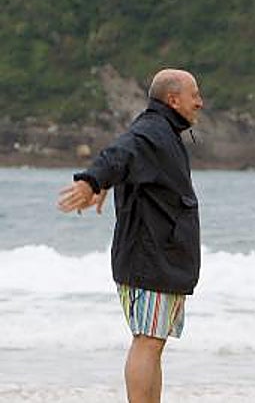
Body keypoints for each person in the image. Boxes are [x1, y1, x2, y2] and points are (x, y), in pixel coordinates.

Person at [55, 68, 205, 403]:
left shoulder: (165, 134)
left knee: (154, 342)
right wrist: (92, 180)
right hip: (147, 258)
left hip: (162, 259)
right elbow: (120, 153)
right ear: (173, 98)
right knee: (147, 340)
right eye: (194, 95)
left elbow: (127, 166)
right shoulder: (152, 131)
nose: (200, 102)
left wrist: (107, 182)